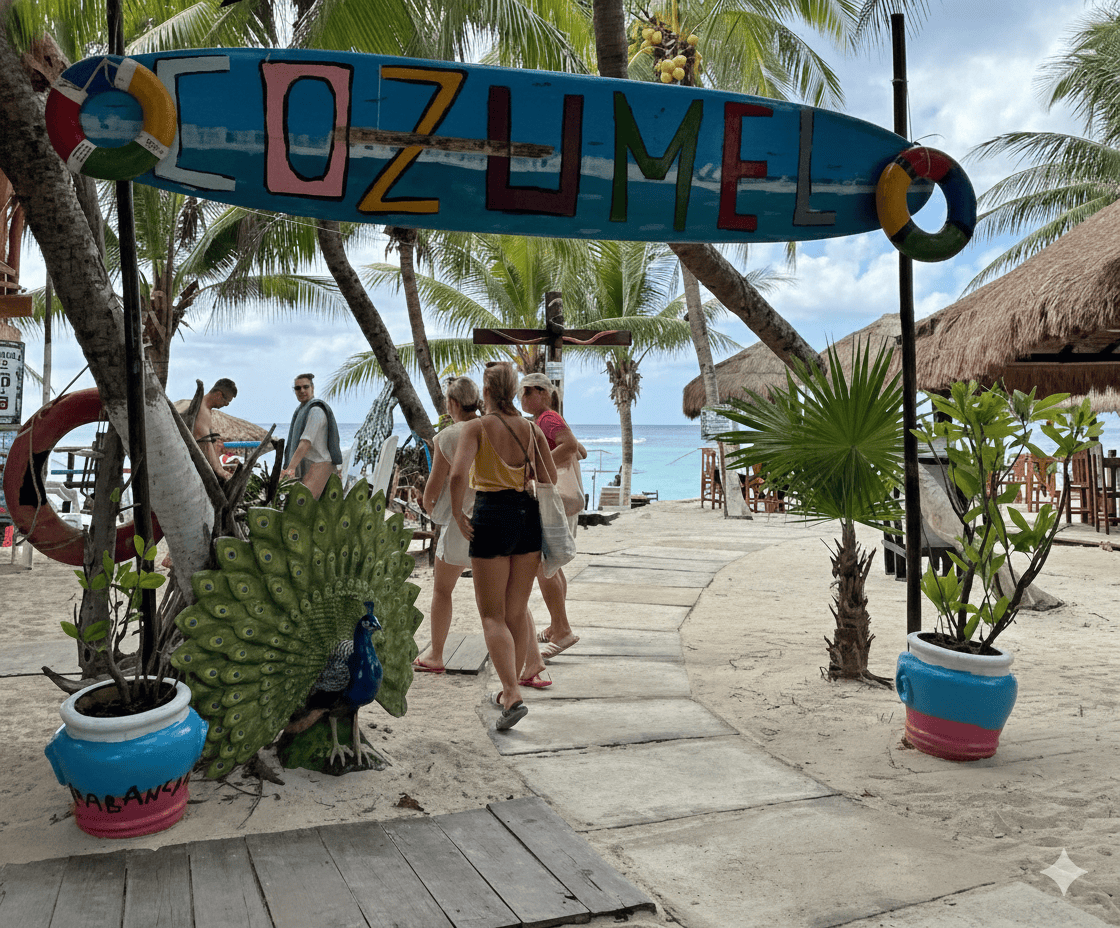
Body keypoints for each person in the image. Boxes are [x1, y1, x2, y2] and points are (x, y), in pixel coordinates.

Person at [449, 362, 557, 731]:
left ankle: (511, 692)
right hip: (526, 516)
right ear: (513, 389)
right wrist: (524, 473)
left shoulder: (476, 427)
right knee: (516, 610)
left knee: (491, 615)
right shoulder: (530, 428)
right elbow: (549, 477)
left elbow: (458, 473)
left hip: (492, 513)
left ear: (486, 391)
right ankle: (515, 683)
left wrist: (456, 512)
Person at [414, 377, 482, 673]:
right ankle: (529, 662)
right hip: (495, 517)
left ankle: (436, 654)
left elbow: (433, 492)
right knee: (504, 601)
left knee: (443, 590)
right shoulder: (493, 427)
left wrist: (428, 506)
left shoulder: (448, 437)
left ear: (452, 404)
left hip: (460, 521)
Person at [518, 372, 584, 660]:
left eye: (526, 392)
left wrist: (538, 468)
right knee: (552, 564)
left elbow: (570, 446)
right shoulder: (548, 419)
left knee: (543, 564)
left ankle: (563, 628)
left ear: (543, 393)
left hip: (552, 497)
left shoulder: (546, 418)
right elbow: (579, 449)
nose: (521, 397)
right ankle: (558, 625)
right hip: (561, 499)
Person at [281, 373, 343, 499]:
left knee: (304, 505)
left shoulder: (316, 410)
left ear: (312, 388)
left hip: (320, 465)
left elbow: (305, 443)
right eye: (298, 388)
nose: (302, 390)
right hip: (307, 464)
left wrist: (289, 469)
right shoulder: (301, 410)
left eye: (305, 387)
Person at [194, 378, 237, 481]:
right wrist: (220, 471)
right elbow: (205, 443)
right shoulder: (202, 411)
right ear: (218, 394)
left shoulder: (205, 409)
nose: (226, 405)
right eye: (226, 401)